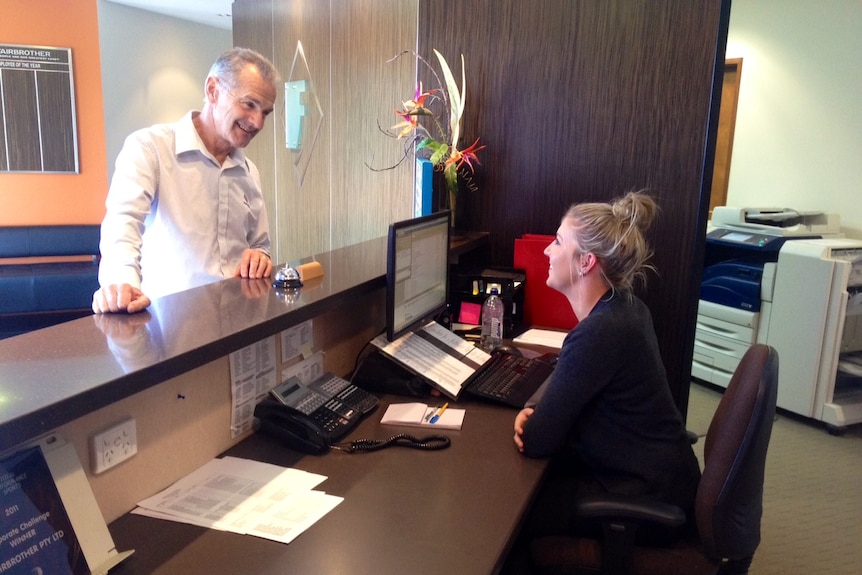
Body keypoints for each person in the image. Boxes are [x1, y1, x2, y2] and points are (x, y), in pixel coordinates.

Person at [507, 191, 701, 568]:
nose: (548, 250)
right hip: (663, 480)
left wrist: (530, 420)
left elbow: (537, 441)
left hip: (643, 499)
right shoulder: (626, 309)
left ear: (586, 261)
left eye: (559, 241)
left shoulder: (601, 332)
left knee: (510, 513)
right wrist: (540, 413)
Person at [92, 47, 279, 314]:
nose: (258, 122)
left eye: (266, 112)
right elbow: (122, 226)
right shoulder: (150, 149)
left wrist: (260, 258)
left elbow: (260, 245)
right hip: (170, 331)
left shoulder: (249, 171)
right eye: (249, 104)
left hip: (240, 326)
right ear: (213, 90)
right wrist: (120, 284)